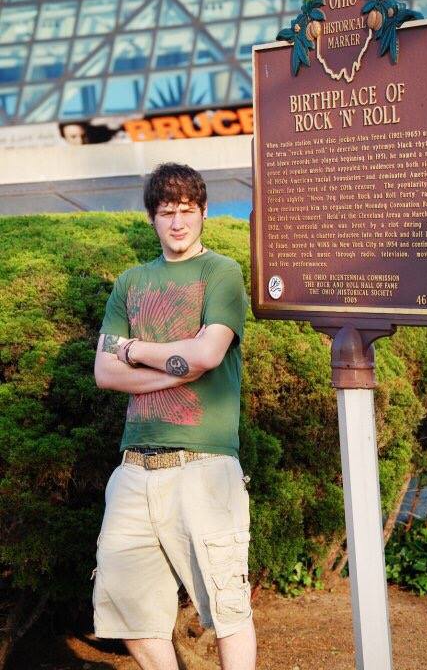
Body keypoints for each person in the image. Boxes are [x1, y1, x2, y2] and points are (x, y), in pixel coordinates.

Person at [93, 162, 255, 670]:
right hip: (134, 469)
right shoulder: (131, 281)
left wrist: (135, 350)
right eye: (167, 213)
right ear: (152, 219)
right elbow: (104, 371)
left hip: (203, 465)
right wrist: (173, 368)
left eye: (187, 211)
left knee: (228, 608)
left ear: (204, 213)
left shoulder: (221, 273)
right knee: (130, 612)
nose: (178, 223)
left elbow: (208, 354)